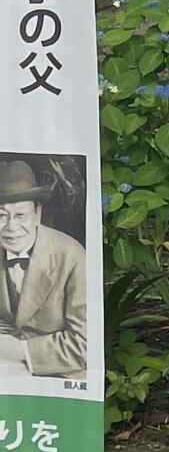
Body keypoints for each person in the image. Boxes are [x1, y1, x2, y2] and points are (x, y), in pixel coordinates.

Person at [0, 157, 87, 378]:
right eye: (1, 216)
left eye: (20, 215)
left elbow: (86, 345)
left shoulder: (72, 256)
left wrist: (21, 350)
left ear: (37, 213)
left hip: (57, 377)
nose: (11, 227)